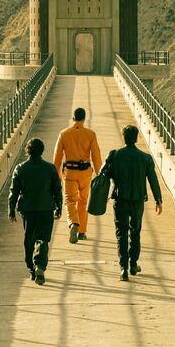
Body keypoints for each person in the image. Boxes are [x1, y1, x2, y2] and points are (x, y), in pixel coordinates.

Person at [100, 124, 162, 281]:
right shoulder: (145, 157)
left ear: (124, 137)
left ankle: (123, 269)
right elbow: (153, 180)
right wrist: (158, 200)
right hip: (137, 200)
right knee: (135, 232)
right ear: (136, 138)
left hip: (120, 200)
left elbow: (103, 174)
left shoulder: (114, 155)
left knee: (121, 233)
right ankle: (133, 264)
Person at [9, 138, 63, 285]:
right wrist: (59, 207)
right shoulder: (50, 168)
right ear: (42, 151)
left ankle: (32, 269)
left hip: (28, 209)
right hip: (46, 208)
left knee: (29, 239)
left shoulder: (20, 168)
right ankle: (39, 265)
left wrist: (11, 210)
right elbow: (57, 189)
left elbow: (14, 191)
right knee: (43, 239)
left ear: (28, 151)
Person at [53, 107, 102, 244]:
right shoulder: (90, 134)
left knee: (69, 200)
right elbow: (96, 156)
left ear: (73, 118)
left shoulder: (64, 134)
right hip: (85, 173)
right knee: (83, 201)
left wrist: (56, 176)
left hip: (69, 172)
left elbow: (57, 157)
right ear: (84, 118)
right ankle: (82, 232)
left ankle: (73, 223)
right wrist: (99, 174)